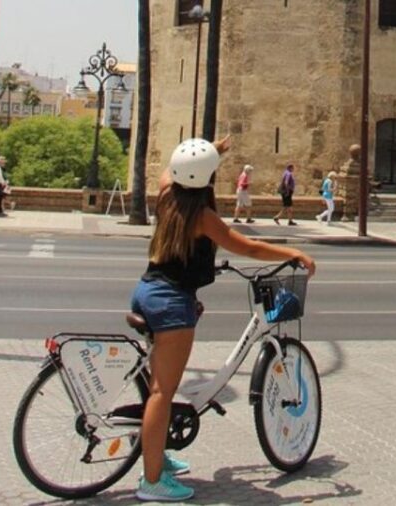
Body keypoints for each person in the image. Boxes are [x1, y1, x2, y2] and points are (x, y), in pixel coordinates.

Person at [131, 136, 316, 502]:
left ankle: (157, 458)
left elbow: (170, 169)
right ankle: (152, 483)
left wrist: (209, 150)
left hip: (148, 289)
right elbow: (246, 246)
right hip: (170, 303)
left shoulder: (167, 196)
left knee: (159, 388)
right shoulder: (201, 216)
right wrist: (292, 251)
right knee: (161, 393)